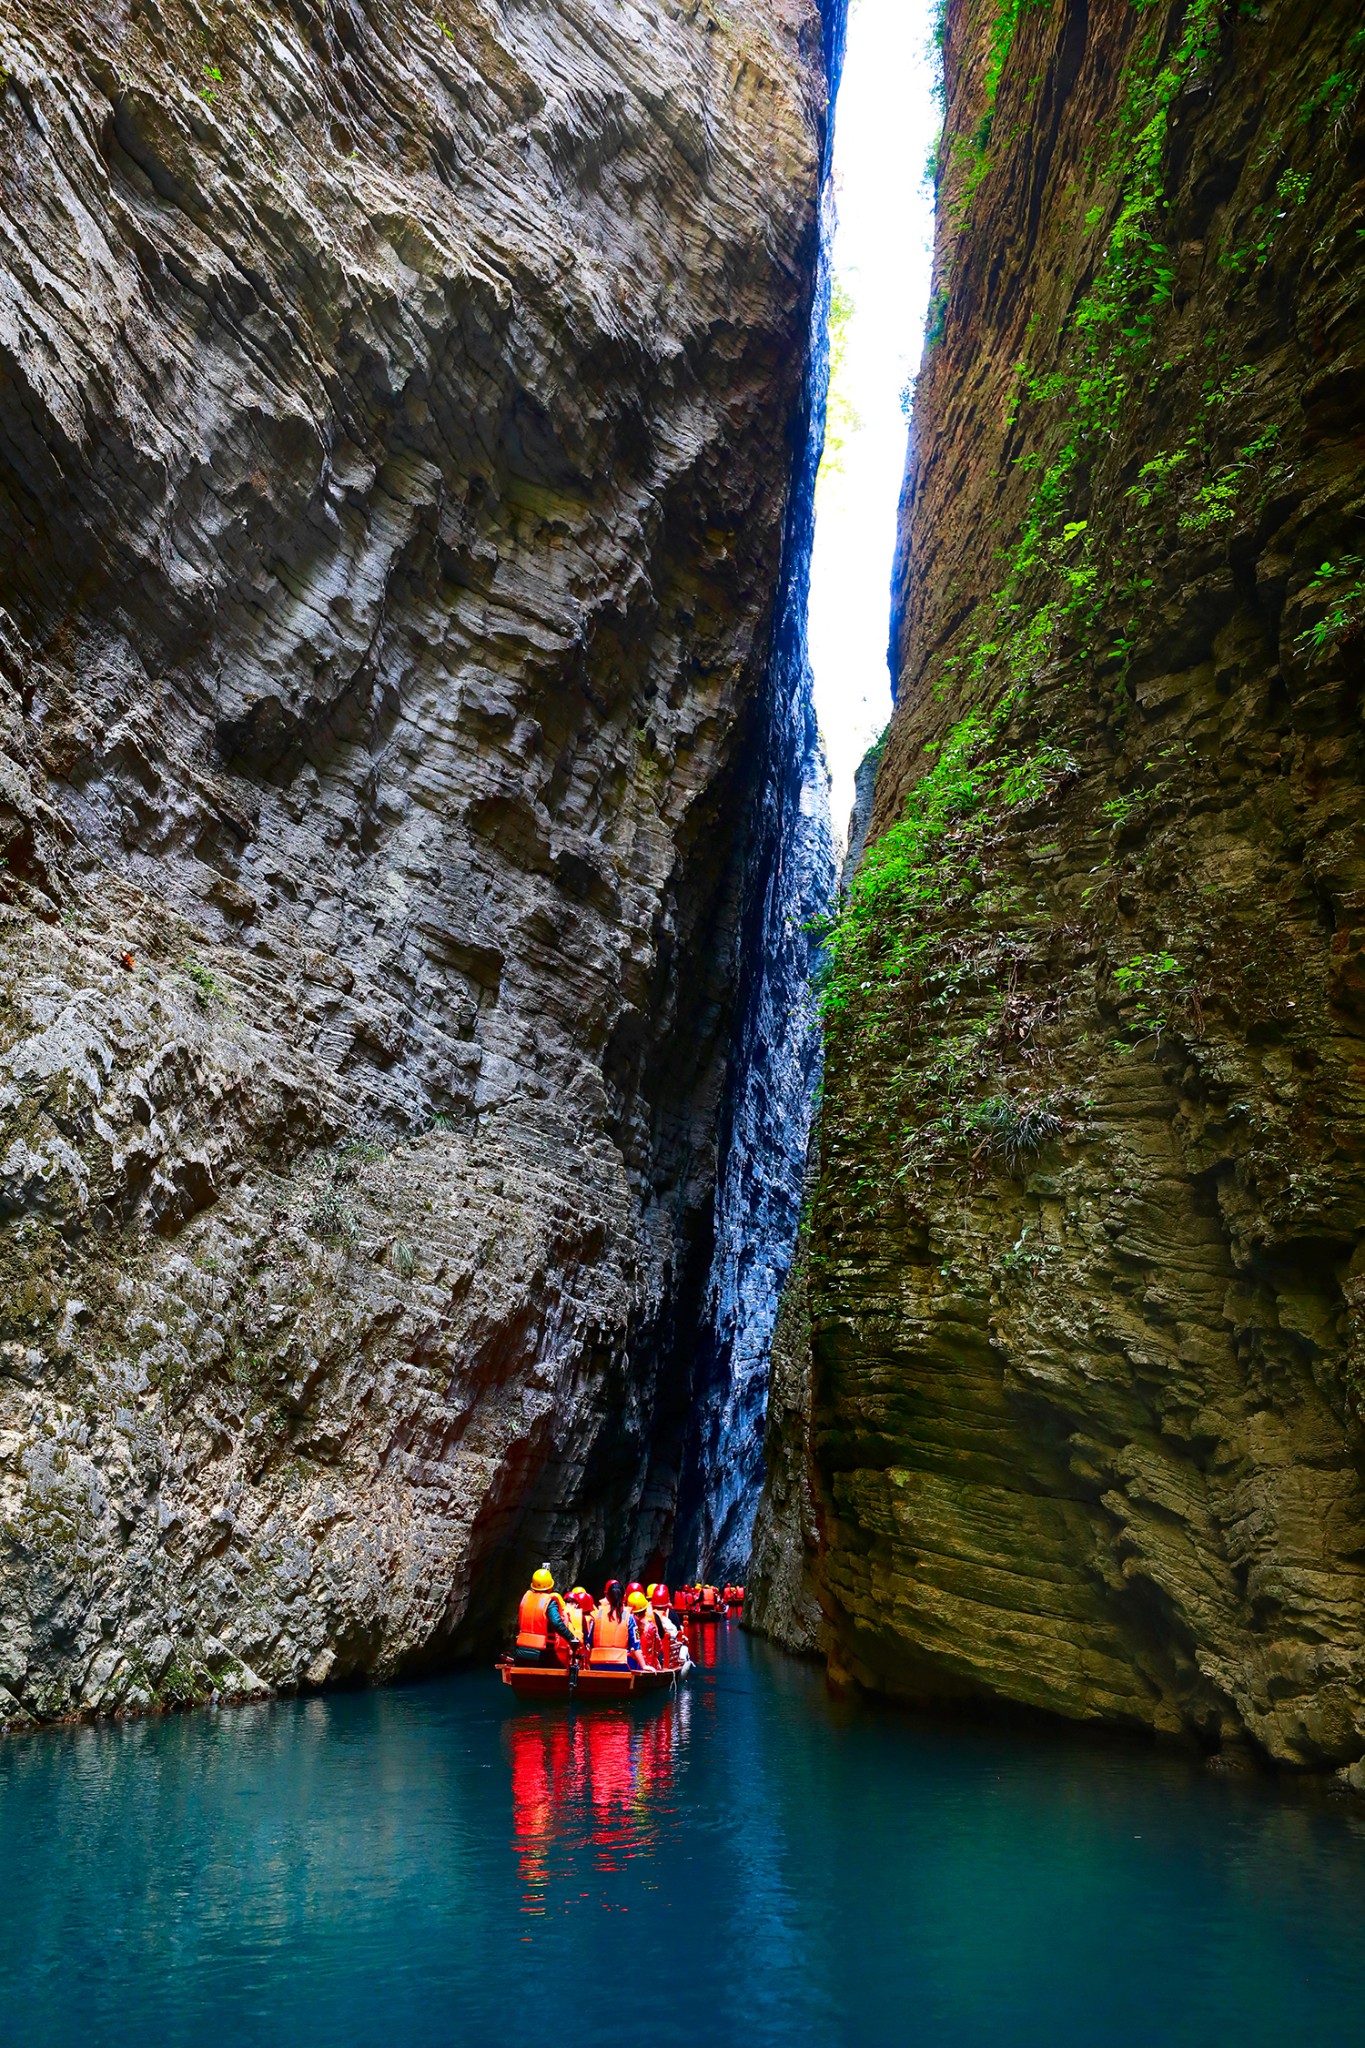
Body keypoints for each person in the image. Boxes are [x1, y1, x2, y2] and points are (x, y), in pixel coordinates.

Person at [515, 1566, 578, 1666]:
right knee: (564, 1674)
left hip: (520, 1652)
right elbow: (557, 1623)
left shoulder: (525, 1599)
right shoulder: (549, 1602)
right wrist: (571, 1638)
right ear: (550, 1587)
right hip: (542, 1653)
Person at [589, 1580, 643, 1671]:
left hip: (596, 1664)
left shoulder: (597, 1615)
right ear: (624, 1597)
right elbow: (636, 1643)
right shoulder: (628, 1617)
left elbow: (589, 1642)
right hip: (621, 1664)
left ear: (608, 1598)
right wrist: (644, 1666)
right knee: (637, 1665)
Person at [628, 1588, 660, 1670]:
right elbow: (658, 1646)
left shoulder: (627, 1624)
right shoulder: (651, 1627)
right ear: (645, 1610)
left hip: (630, 1664)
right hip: (648, 1664)